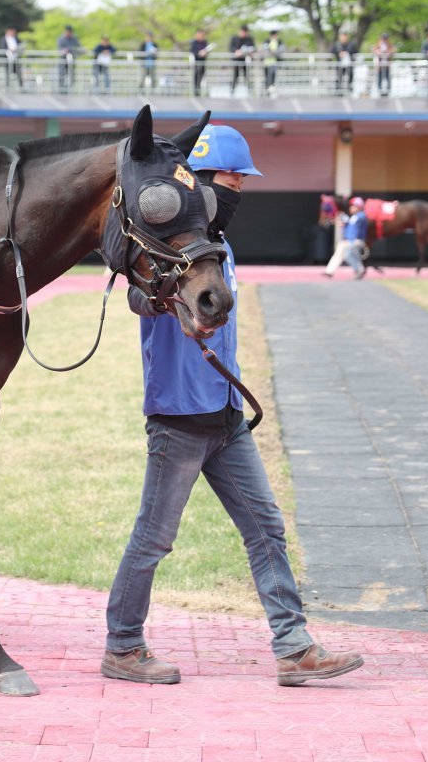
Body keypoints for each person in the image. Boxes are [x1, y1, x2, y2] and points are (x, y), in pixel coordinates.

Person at [103, 124, 366, 688]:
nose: (239, 189)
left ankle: (294, 649)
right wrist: (157, 301)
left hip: (226, 418)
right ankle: (122, 646)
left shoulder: (221, 251)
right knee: (155, 538)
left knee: (266, 528)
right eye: (231, 179)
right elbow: (137, 297)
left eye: (242, 181)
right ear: (197, 184)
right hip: (178, 419)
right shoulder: (163, 253)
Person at [323, 196, 368, 279]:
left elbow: (354, 228)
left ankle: (360, 270)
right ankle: (329, 271)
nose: (351, 208)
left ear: (359, 207)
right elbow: (349, 224)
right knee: (339, 253)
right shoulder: (355, 217)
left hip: (354, 240)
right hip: (347, 239)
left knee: (348, 255)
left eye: (353, 206)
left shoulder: (361, 216)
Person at [229, 24, 255, 95]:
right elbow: (231, 48)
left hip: (246, 60)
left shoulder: (249, 39)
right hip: (236, 60)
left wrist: (247, 51)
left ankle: (250, 91)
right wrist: (237, 51)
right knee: (235, 75)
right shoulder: (234, 38)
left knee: (247, 75)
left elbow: (253, 48)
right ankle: (232, 91)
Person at [56, 24, 81, 94]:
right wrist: (65, 51)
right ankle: (61, 89)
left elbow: (78, 46)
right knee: (62, 73)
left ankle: (71, 89)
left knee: (72, 74)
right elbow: (60, 49)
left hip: (72, 59)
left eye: (70, 32)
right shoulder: (61, 38)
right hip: (63, 59)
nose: (69, 33)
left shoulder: (74, 38)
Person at [331, 31, 357, 96]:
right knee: (339, 78)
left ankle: (349, 90)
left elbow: (356, 52)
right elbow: (332, 52)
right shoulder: (337, 44)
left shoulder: (351, 44)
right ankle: (338, 92)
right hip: (340, 65)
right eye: (342, 36)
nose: (344, 38)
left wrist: (347, 53)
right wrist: (339, 53)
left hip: (349, 65)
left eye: (345, 36)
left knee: (350, 77)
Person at [372, 32, 395, 96]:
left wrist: (387, 52)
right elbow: (374, 50)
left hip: (387, 65)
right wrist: (380, 52)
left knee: (388, 78)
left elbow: (393, 51)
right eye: (383, 38)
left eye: (385, 38)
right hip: (380, 65)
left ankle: (388, 91)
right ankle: (380, 91)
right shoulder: (378, 45)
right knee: (379, 78)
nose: (384, 40)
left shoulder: (389, 45)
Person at [189, 28, 211, 95]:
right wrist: (199, 53)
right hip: (196, 62)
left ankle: (198, 90)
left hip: (203, 62)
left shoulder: (205, 42)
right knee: (196, 77)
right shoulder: (194, 42)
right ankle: (196, 92)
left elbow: (208, 51)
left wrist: (205, 53)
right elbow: (192, 51)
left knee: (201, 76)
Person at [262, 30, 283, 95]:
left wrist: (273, 52)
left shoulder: (279, 41)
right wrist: (271, 52)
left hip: (274, 63)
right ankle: (267, 91)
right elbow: (265, 49)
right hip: (266, 63)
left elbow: (281, 50)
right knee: (267, 78)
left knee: (273, 78)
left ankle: (271, 91)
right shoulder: (267, 41)